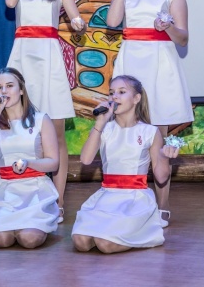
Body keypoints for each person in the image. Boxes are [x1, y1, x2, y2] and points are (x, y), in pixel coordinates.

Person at [106, 0, 193, 227]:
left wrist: (167, 27)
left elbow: (183, 38)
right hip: (131, 62)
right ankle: (129, 200)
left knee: (158, 136)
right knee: (127, 134)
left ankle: (162, 205)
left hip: (160, 65)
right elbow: (113, 21)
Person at [5, 0, 85, 222]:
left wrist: (78, 23)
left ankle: (58, 200)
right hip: (22, 56)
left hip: (49, 59)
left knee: (57, 135)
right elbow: (10, 2)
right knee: (21, 129)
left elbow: (76, 19)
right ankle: (24, 195)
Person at [71, 75, 179, 254]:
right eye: (111, 93)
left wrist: (164, 157)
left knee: (105, 244)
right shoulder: (105, 129)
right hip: (107, 196)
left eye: (122, 92)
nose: (115, 96)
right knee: (80, 242)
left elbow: (161, 178)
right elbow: (86, 159)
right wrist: (100, 123)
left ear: (136, 98)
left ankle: (142, 233)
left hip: (134, 199)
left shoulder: (149, 132)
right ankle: (112, 231)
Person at [0, 67, 60, 249]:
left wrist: (29, 163)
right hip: (6, 191)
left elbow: (54, 162)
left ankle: (36, 222)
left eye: (9, 86)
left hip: (35, 189)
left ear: (21, 90)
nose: (4, 91)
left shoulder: (41, 120)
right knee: (0, 240)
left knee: (29, 239)